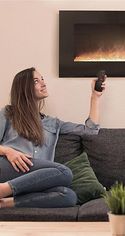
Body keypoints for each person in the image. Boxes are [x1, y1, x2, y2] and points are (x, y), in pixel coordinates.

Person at [0, 67, 105, 208]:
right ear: (24, 88)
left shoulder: (53, 123)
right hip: (10, 167)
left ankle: (6, 202)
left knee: (68, 196)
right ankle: (3, 189)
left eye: (42, 79)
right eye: (36, 81)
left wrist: (95, 97)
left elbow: (91, 131)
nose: (43, 83)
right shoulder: (9, 113)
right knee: (64, 172)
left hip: (36, 178)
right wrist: (8, 151)